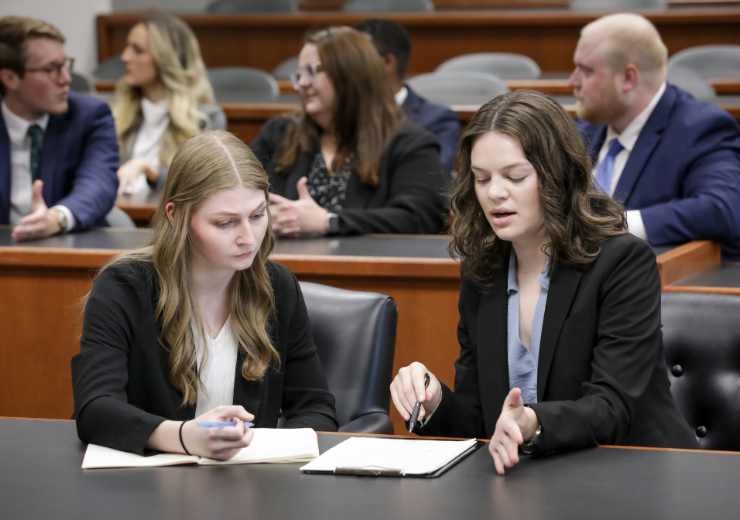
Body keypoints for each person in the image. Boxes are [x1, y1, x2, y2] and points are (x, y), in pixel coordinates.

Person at [390, 90, 697, 476]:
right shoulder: (481, 270)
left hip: (637, 472)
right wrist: (432, 399)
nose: (494, 193)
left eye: (515, 176)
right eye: (481, 179)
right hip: (537, 479)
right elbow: (479, 420)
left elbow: (612, 406)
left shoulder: (622, 261)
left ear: (557, 175)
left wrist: (532, 422)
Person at [72, 130, 337, 459]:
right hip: (146, 493)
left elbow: (316, 409)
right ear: (175, 215)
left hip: (249, 488)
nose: (249, 239)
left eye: (257, 216)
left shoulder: (278, 286)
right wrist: (184, 437)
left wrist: (266, 450)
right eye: (225, 223)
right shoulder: (124, 285)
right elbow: (95, 409)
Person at [569, 13, 740, 260]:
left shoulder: (701, 128)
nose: (573, 81)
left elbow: (723, 208)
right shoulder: (586, 125)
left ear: (628, 77)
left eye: (586, 70)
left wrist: (611, 224)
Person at [250, 26, 448, 236]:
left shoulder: (410, 142)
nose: (302, 83)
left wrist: (330, 222)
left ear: (350, 74)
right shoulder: (279, 132)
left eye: (312, 71)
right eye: (299, 74)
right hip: (281, 263)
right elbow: (233, 191)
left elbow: (422, 216)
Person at [0, 16, 118, 241]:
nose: (65, 79)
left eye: (65, 65)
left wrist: (57, 218)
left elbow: (99, 183)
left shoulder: (89, 115)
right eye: (51, 69)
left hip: (69, 249)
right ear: (10, 78)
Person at [114, 14, 227, 196]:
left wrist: (149, 171)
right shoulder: (117, 116)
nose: (124, 56)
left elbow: (205, 183)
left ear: (166, 59)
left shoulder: (206, 119)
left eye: (138, 50)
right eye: (127, 47)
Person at [354, 18, 461, 174]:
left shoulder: (437, 120)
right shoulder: (337, 114)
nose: (346, 67)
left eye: (356, 58)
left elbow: (433, 175)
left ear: (387, 63)